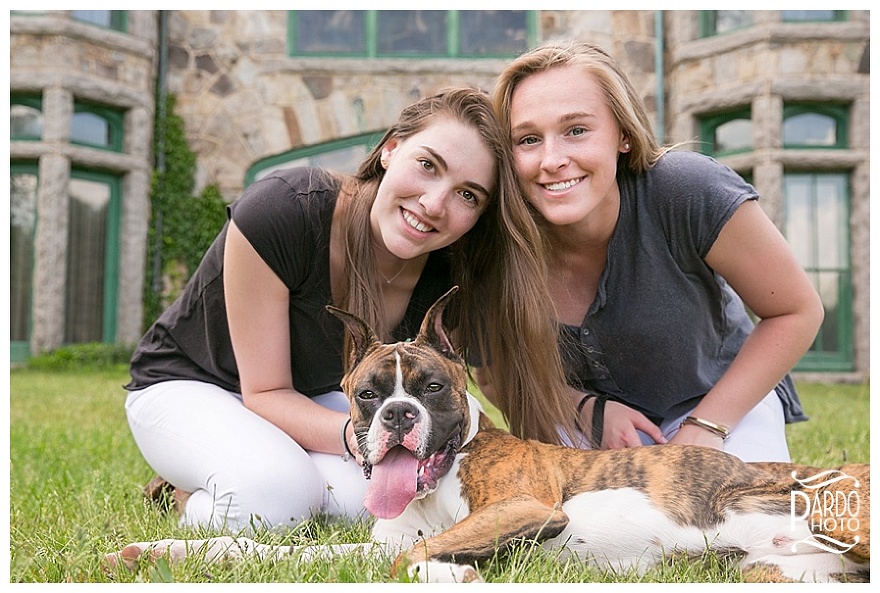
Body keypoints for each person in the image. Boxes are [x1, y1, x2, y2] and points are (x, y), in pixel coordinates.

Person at [123, 87, 573, 534]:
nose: (434, 204)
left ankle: (258, 465)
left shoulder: (451, 270)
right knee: (279, 497)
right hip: (190, 386)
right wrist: (363, 440)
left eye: (468, 195)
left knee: (390, 499)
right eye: (427, 165)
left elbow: (493, 377)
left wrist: (587, 414)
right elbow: (263, 393)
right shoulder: (283, 211)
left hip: (306, 400)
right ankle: (187, 494)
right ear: (391, 149)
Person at [489, 41, 825, 462]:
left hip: (720, 401)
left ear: (623, 135)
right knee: (578, 526)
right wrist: (585, 409)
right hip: (579, 418)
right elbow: (492, 367)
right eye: (528, 139)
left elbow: (796, 311)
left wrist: (707, 426)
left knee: (742, 519)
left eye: (576, 130)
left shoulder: (687, 191)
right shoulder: (498, 238)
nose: (552, 159)